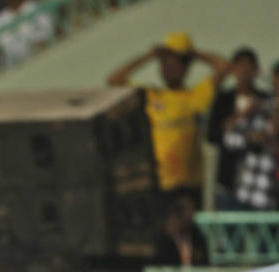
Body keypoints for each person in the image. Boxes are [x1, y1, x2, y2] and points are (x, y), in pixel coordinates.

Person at [107, 32, 229, 201]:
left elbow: (224, 66)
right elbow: (114, 80)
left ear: (186, 68)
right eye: (164, 64)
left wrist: (191, 54)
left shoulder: (196, 95)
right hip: (158, 182)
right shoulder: (151, 95)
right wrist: (150, 56)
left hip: (188, 184)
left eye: (174, 64)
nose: (167, 70)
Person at [206, 48, 270, 210]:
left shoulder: (266, 100)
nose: (244, 71)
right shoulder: (224, 100)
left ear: (256, 69)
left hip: (260, 183)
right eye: (240, 66)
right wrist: (241, 119)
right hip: (229, 180)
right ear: (233, 69)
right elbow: (212, 135)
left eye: (248, 67)